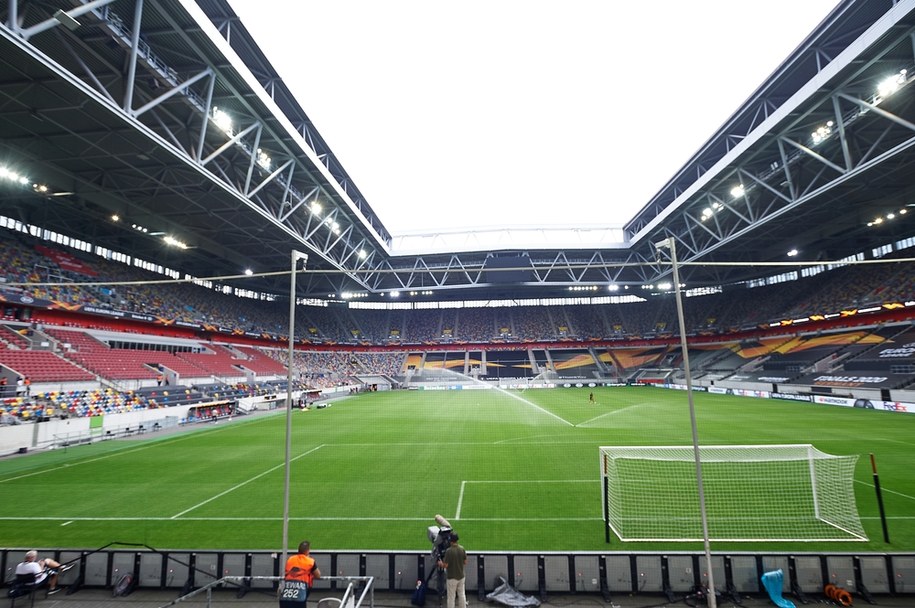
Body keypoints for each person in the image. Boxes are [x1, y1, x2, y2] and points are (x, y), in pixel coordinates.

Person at [280, 540, 321, 607]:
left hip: (285, 596)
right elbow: (318, 575)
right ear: (308, 551)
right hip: (300, 596)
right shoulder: (310, 561)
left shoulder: (290, 559)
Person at [437, 533, 467, 608]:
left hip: (451, 577)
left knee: (451, 597)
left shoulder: (448, 551)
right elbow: (465, 562)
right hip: (461, 576)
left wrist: (441, 563)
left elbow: (445, 565)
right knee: (462, 595)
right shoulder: (462, 549)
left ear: (450, 540)